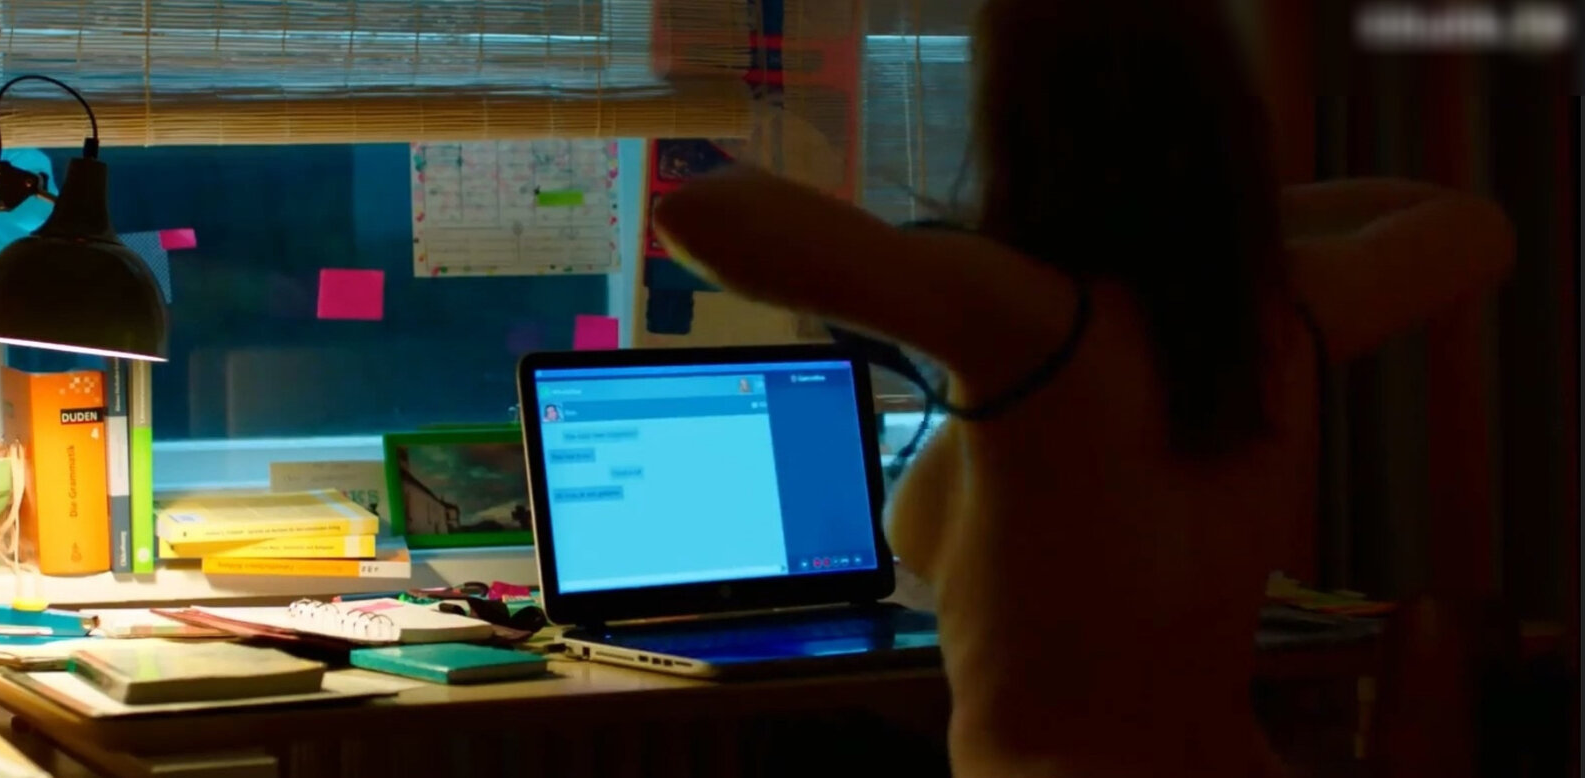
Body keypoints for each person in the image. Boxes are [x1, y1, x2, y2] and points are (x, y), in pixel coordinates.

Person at [649, 1, 1514, 776]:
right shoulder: (1271, 313)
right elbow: (1471, 225)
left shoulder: (1027, 313)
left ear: (1016, 117)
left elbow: (700, 214)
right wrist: (1216, 219)